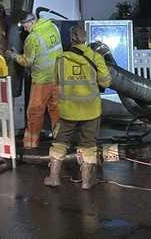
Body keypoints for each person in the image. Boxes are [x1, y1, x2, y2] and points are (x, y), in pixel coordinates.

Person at [45, 24, 111, 190]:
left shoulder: (61, 59)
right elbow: (106, 82)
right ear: (85, 38)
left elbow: (56, 82)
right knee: (88, 144)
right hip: (91, 110)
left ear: (71, 39)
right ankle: (87, 181)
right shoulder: (96, 58)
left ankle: (53, 178)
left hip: (68, 110)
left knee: (60, 142)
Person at [4, 12, 63, 149]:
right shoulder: (53, 27)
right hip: (58, 77)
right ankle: (60, 141)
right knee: (56, 110)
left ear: (31, 22)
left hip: (42, 81)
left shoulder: (32, 38)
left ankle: (31, 144)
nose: (24, 28)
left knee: (34, 112)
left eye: (24, 25)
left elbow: (27, 61)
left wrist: (13, 55)